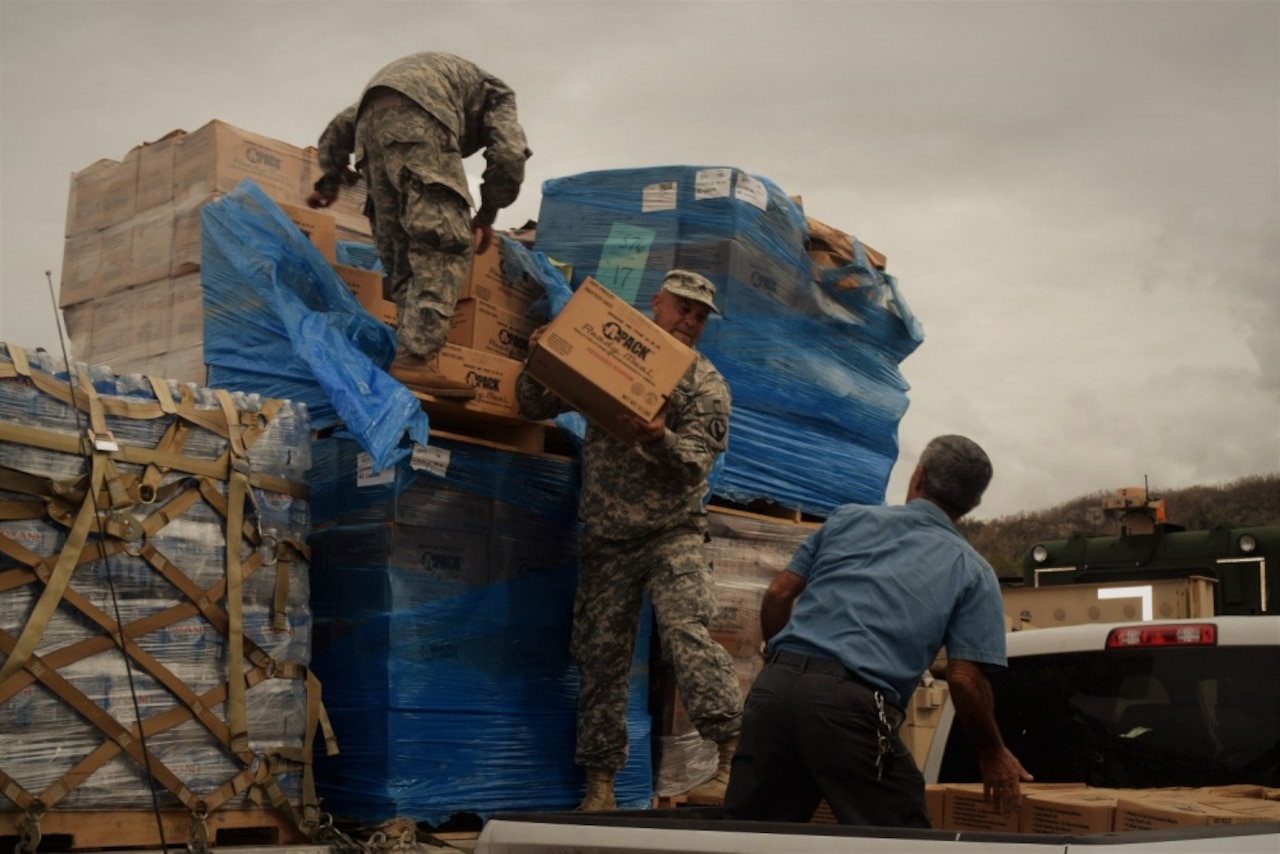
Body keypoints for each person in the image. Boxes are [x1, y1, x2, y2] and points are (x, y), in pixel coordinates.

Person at [515, 270, 743, 811]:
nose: (689, 321)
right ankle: (600, 787)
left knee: (686, 632)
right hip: (609, 537)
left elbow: (693, 465)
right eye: (682, 308)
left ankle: (733, 758)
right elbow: (532, 404)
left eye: (700, 315)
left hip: (672, 531)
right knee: (599, 661)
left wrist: (657, 437)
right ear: (657, 303)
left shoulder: (705, 385)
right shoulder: (610, 355)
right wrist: (540, 353)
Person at [723, 435, 1032, 826]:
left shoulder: (848, 518)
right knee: (902, 841)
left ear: (918, 476)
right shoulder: (972, 570)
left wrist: (780, 667)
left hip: (773, 693)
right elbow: (965, 679)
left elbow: (779, 594)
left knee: (749, 837)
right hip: (849, 709)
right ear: (972, 505)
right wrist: (992, 752)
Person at [308, 52, 531, 400]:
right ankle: (415, 359)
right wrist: (486, 214)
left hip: (370, 134)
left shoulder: (417, 78)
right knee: (443, 242)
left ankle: (408, 356)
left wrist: (330, 180)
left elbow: (340, 125)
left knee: (402, 254)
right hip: (421, 128)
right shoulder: (498, 95)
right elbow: (509, 156)